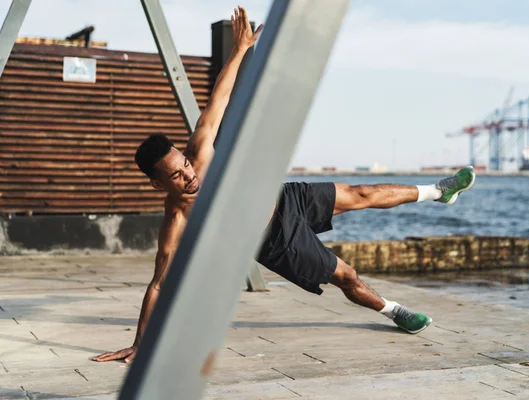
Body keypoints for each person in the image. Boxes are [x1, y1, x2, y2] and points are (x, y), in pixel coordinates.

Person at [93, 6, 476, 364]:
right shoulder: (176, 219)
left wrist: (240, 50)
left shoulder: (198, 152)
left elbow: (220, 97)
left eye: (185, 165)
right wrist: (141, 342)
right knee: (347, 276)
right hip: (276, 241)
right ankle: (395, 312)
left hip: (282, 196)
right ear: (159, 186)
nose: (189, 174)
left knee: (362, 194)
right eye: (176, 176)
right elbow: (158, 283)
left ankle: (439, 192)